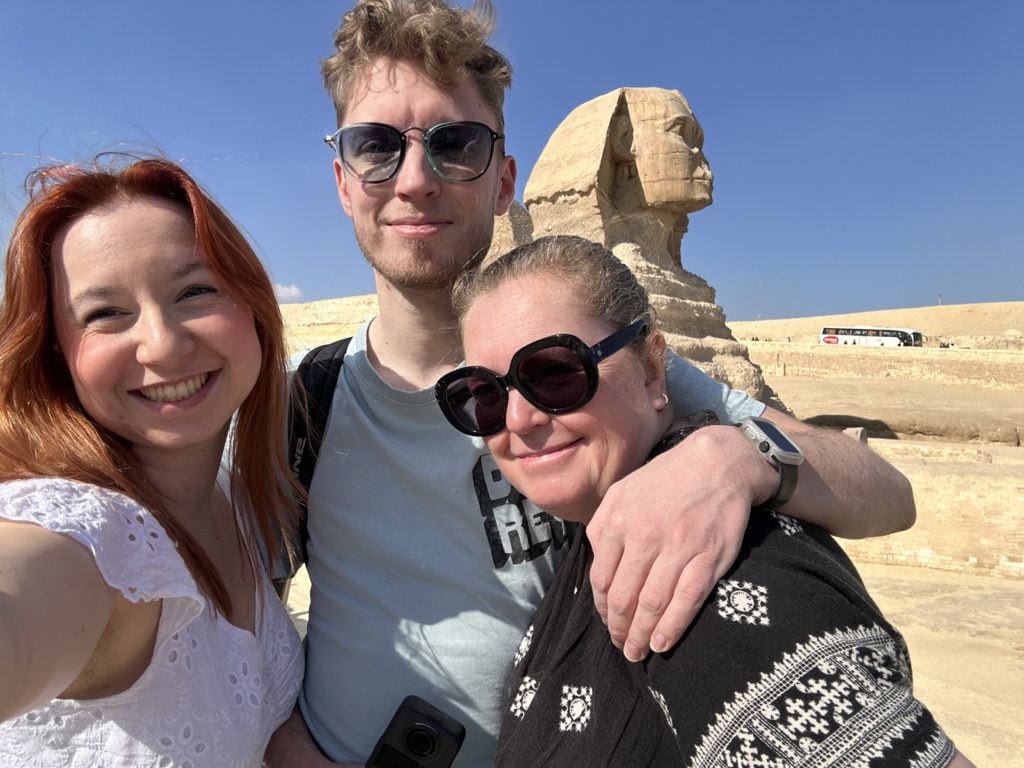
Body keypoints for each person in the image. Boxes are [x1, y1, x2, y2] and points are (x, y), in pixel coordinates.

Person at [266, 2, 915, 765]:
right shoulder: (297, 405)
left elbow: (888, 494)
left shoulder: (591, 366)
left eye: (456, 144)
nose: (414, 180)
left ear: (504, 182)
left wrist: (740, 457)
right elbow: (223, 636)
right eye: (376, 147)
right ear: (343, 183)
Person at [437, 234, 973, 767]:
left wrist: (738, 452)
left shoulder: (704, 577)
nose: (516, 420)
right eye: (481, 396)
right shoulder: (603, 504)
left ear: (654, 369)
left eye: (555, 372)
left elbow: (892, 492)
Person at [0, 157, 304, 766]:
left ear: (254, 307)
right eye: (105, 314)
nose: (162, 345)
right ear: (57, 356)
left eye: (195, 291)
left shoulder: (232, 498)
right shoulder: (86, 528)